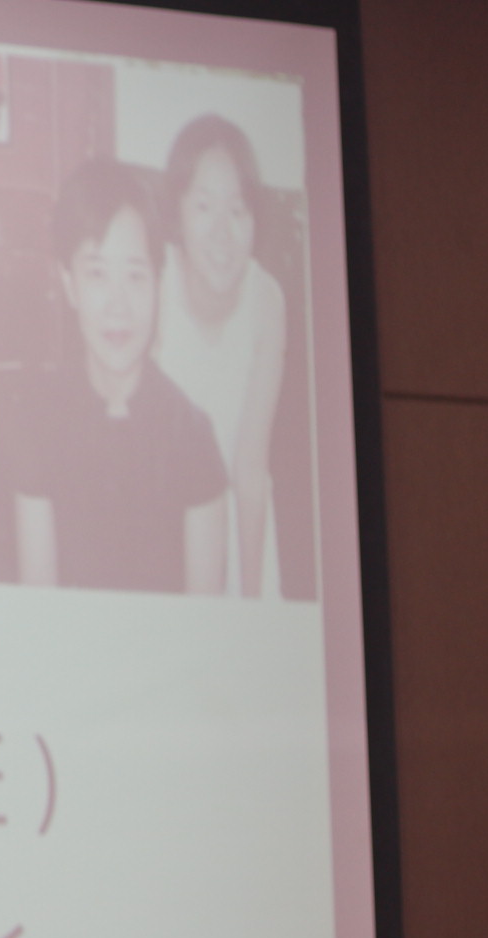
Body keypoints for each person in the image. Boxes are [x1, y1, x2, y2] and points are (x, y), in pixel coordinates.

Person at [9, 156, 229, 594]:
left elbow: (206, 620)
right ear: (69, 285)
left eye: (134, 276)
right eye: (96, 274)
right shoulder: (35, 425)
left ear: (158, 285)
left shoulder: (193, 436)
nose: (118, 304)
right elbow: (37, 607)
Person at [152, 113, 288, 599]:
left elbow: (250, 467)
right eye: (204, 207)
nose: (222, 233)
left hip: (242, 529)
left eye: (238, 211)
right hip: (166, 524)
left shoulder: (266, 300)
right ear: (178, 211)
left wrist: (249, 600)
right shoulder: (156, 282)